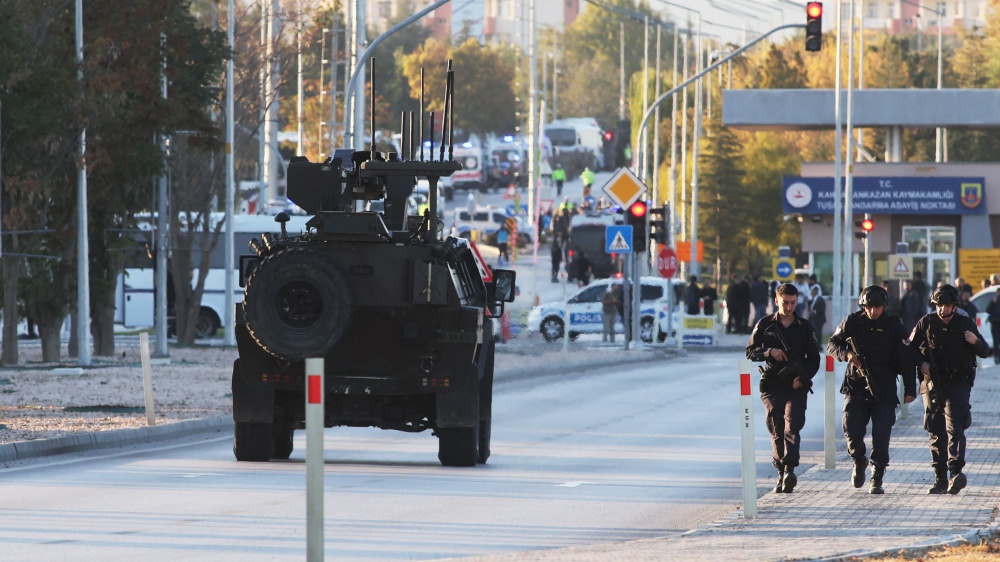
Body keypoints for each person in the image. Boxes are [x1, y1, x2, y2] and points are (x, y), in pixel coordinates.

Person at [826, 285, 916, 494]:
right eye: (868, 307)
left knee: (881, 435)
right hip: (856, 386)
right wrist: (847, 354)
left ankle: (877, 475)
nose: (872, 311)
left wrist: (909, 389)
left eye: (877, 307)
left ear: (884, 306)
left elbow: (906, 358)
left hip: (883, 388)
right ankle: (859, 459)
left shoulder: (894, 326)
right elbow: (832, 344)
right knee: (852, 429)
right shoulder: (852, 322)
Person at [909, 284, 991, 495]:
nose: (942, 310)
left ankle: (955, 472)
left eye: (946, 305)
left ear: (954, 306)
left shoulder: (965, 323)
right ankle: (939, 479)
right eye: (939, 305)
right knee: (935, 430)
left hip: (958, 382)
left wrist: (975, 342)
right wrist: (922, 363)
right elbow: (908, 350)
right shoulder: (925, 323)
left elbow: (985, 351)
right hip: (933, 383)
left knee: (955, 427)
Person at [746, 283, 821, 494]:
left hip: (796, 385)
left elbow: (814, 359)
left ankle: (790, 469)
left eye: (793, 303)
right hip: (772, 384)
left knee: (792, 426)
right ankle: (780, 471)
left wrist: (802, 377)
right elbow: (750, 351)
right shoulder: (765, 325)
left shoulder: (805, 327)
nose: (789, 307)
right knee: (776, 429)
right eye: (785, 303)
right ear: (777, 301)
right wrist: (770, 352)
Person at [809, 284, 826, 349]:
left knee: (818, 332)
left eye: (812, 291)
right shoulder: (814, 299)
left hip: (819, 319)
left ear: (815, 291)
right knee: (815, 332)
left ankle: (819, 346)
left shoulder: (820, 299)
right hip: (814, 319)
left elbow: (821, 309)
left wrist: (814, 312)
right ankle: (816, 344)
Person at [987, 291, 1000, 364]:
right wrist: (994, 301)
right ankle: (997, 357)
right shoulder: (994, 301)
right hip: (995, 323)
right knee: (996, 341)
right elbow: (988, 310)